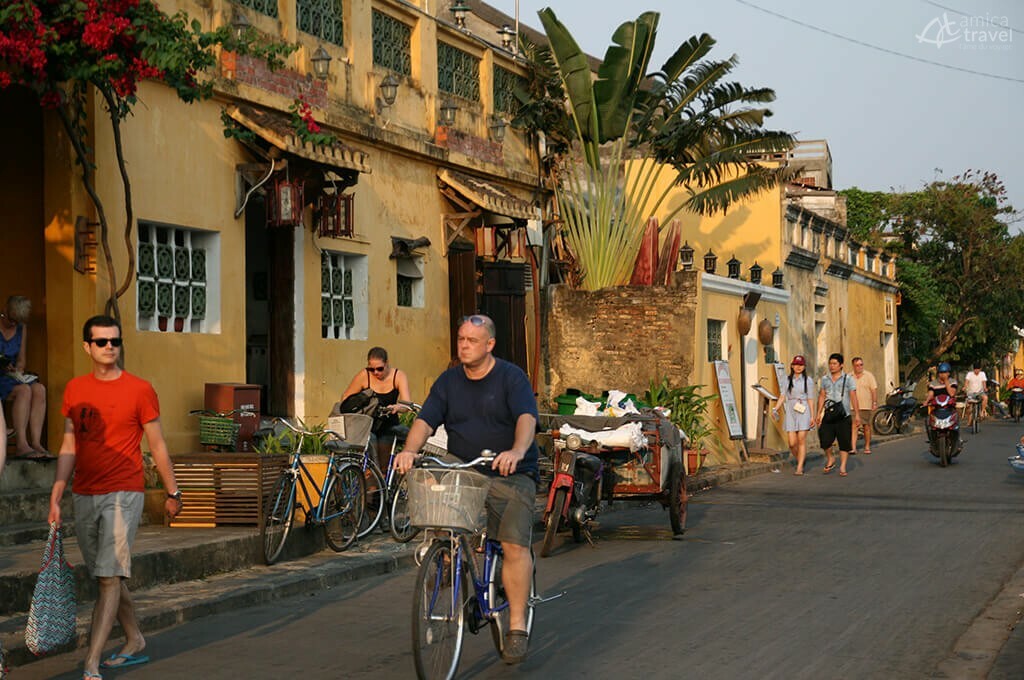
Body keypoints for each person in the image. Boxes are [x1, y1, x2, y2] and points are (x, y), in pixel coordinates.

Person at [394, 314, 538, 665]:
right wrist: (410, 450)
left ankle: (517, 625)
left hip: (509, 472)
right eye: (460, 339)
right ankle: (447, 561)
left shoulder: (510, 378)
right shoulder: (448, 382)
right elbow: (426, 421)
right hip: (464, 470)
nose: (463, 345)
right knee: (441, 524)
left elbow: (526, 418)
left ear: (489, 344)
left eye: (471, 340)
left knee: (513, 543)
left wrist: (517, 451)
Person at [47, 315, 183, 679]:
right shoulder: (75, 389)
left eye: (115, 341)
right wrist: (58, 489)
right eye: (102, 342)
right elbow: (69, 444)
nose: (110, 347)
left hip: (125, 491)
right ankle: (134, 638)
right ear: (87, 347)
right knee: (105, 574)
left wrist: (173, 491)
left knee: (109, 577)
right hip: (85, 492)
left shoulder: (140, 390)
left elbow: (157, 445)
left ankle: (91, 662)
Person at [339, 347, 412, 470]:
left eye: (380, 369)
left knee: (386, 447)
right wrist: (361, 401)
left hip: (388, 424)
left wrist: (398, 407)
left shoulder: (398, 376)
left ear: (387, 363)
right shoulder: (364, 376)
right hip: (368, 425)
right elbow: (345, 398)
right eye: (371, 369)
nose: (376, 373)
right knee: (370, 450)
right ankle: (371, 481)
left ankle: (383, 479)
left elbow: (407, 404)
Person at [0, 295, 50, 459]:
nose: (13, 324)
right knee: (24, 391)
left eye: (17, 321)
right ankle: (21, 444)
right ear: (5, 310)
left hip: (11, 375)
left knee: (39, 389)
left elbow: (21, 359)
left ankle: (35, 442)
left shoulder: (22, 328)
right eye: (11, 319)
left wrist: (17, 369)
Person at [816, 353, 860, 477]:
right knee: (825, 439)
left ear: (841, 365)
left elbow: (853, 396)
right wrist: (818, 413)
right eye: (830, 363)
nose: (832, 366)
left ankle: (843, 466)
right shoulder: (825, 379)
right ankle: (830, 458)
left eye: (835, 363)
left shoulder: (848, 379)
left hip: (843, 414)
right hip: (829, 414)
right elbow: (822, 396)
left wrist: (856, 414)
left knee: (844, 441)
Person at [772, 355, 816, 475]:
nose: (798, 367)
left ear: (804, 367)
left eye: (801, 365)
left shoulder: (808, 380)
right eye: (796, 364)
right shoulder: (787, 380)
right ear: (792, 366)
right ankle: (800, 458)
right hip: (791, 410)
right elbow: (783, 396)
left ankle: (799, 467)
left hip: (804, 410)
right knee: (792, 443)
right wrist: (776, 408)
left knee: (801, 439)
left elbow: (811, 399)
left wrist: (812, 416)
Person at [851, 357, 878, 454]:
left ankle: (867, 446)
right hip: (853, 406)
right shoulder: (850, 376)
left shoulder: (869, 376)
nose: (859, 367)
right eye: (857, 365)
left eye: (861, 364)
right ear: (853, 366)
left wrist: (874, 402)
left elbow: (873, 390)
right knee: (854, 426)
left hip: (866, 405)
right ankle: (853, 447)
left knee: (866, 426)